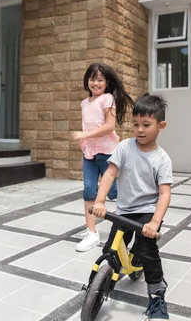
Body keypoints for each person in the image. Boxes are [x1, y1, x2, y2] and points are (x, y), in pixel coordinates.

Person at [92, 93, 172, 320]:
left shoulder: (162, 159)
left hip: (147, 212)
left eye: (146, 125)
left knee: (148, 250)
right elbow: (109, 174)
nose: (140, 129)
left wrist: (155, 221)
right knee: (110, 251)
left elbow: (165, 193)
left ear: (161, 126)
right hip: (125, 210)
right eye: (135, 124)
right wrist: (99, 201)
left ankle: (157, 297)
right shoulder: (125, 147)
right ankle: (97, 286)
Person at [72, 62, 134, 252]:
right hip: (89, 153)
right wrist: (84, 141)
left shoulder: (107, 99)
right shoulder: (84, 103)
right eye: (92, 79)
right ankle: (92, 232)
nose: (96, 83)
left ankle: (133, 221)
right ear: (87, 81)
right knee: (89, 190)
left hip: (107, 153)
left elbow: (109, 126)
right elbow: (89, 125)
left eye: (100, 79)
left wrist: (84, 136)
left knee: (114, 192)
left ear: (107, 83)